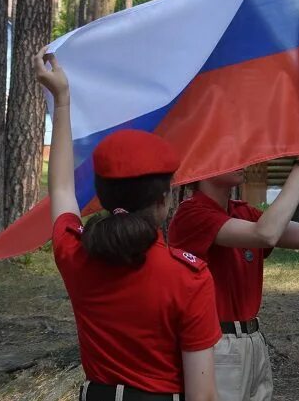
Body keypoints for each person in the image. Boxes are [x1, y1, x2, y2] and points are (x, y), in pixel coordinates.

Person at [35, 49, 221, 401]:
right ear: (162, 201)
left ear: (102, 197)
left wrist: (62, 101)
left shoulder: (75, 253)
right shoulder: (188, 279)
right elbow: (203, 397)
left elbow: (60, 187)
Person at [166, 142, 299, 401]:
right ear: (202, 164)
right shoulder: (191, 214)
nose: (240, 157)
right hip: (216, 344)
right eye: (227, 149)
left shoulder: (242, 212)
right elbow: (266, 234)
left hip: (252, 340)